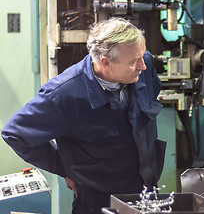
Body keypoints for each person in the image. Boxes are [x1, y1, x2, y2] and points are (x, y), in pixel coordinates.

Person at [1, 17, 166, 214]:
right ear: (106, 63)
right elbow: (15, 134)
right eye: (133, 62)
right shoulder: (64, 94)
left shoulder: (142, 63)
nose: (143, 66)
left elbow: (151, 93)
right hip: (100, 200)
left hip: (146, 190)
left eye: (142, 56)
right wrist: (66, 168)